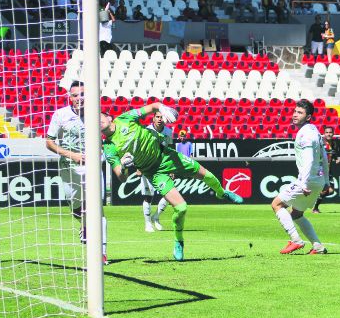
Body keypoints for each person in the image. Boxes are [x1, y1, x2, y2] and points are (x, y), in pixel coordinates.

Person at [101, 103, 243, 261]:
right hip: (153, 173)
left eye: (99, 118)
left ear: (108, 117)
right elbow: (121, 177)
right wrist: (124, 167)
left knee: (208, 175)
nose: (98, 122)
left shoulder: (125, 118)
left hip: (167, 157)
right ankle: (178, 241)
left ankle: (222, 193)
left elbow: (154, 106)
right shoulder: (108, 147)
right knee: (181, 208)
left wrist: (163, 109)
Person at [46, 82, 108, 264]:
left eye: (82, 94)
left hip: (93, 166)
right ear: (70, 98)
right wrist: (71, 155)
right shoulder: (61, 115)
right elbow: (49, 142)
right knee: (76, 207)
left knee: (98, 209)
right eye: (75, 95)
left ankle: (102, 253)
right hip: (69, 167)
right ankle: (85, 224)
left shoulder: (97, 115)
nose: (79, 98)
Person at [271, 99, 330, 254]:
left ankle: (296, 240)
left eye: (300, 112)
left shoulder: (305, 134)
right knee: (297, 214)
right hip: (317, 180)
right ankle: (318, 247)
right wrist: (327, 181)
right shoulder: (314, 131)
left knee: (276, 204)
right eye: (295, 111)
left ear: (308, 117)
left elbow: (310, 158)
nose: (295, 115)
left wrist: (303, 183)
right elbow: (324, 156)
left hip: (308, 181)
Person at [138, 110, 171, 232]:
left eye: (162, 117)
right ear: (153, 119)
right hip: (147, 165)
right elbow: (140, 149)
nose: (160, 119)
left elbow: (168, 150)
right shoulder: (147, 131)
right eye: (157, 117)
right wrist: (139, 166)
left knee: (169, 194)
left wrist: (171, 167)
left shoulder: (168, 132)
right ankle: (148, 224)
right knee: (148, 196)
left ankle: (156, 217)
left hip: (162, 166)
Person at [312, 125, 340, 213]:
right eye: (327, 132)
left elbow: (333, 153)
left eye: (330, 132)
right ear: (324, 134)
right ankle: (315, 208)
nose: (328, 134)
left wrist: (336, 159)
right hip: (320, 170)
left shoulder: (334, 143)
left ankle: (315, 204)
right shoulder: (321, 143)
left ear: (333, 134)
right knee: (325, 189)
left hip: (328, 171)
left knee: (331, 191)